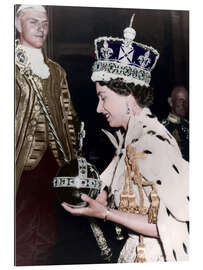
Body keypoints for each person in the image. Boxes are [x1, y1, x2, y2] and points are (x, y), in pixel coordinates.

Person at [62, 15, 189, 262]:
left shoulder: (153, 142)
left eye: (104, 97)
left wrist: (107, 213)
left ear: (128, 96)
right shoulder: (130, 138)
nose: (99, 108)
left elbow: (170, 226)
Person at [15, 5, 79, 266]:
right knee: (19, 231)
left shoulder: (57, 71)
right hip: (19, 164)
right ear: (19, 26)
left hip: (54, 163)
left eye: (45, 23)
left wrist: (74, 157)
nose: (41, 28)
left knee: (48, 234)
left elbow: (69, 116)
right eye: (33, 22)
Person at [162, 86, 189, 161]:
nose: (184, 104)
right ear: (171, 102)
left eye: (186, 101)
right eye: (180, 100)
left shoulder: (188, 125)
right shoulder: (163, 128)